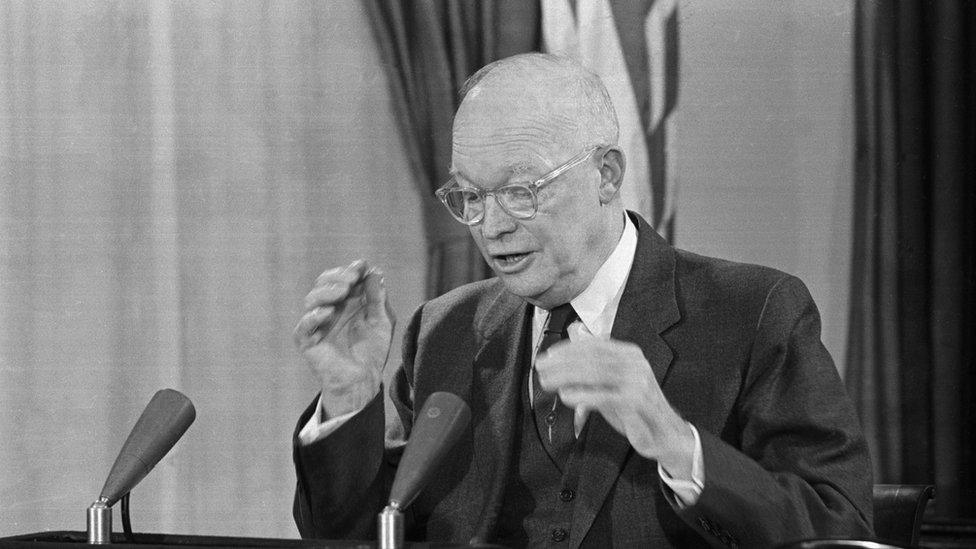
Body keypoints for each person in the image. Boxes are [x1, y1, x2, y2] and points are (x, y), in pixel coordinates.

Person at [291, 53, 873, 548]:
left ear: (607, 175)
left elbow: (837, 528)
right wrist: (348, 399)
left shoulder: (753, 312)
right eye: (469, 195)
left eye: (520, 191)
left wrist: (677, 445)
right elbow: (358, 536)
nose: (490, 226)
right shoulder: (445, 330)